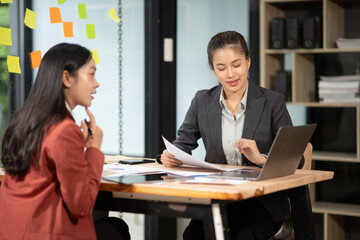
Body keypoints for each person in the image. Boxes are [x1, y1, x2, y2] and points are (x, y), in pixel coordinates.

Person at [158, 31, 304, 240]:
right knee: (192, 236)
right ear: (213, 70)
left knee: (239, 236)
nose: (230, 74)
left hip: (261, 202)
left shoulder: (272, 101)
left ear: (248, 61)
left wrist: (260, 159)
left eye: (236, 65)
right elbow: (183, 143)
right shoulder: (202, 101)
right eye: (221, 68)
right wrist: (169, 155)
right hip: (219, 198)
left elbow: (297, 159)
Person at [0, 43, 129, 240]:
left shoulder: (24, 121)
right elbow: (81, 206)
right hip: (48, 233)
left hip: (14, 232)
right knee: (116, 228)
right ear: (67, 78)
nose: (97, 84)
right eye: (91, 74)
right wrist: (93, 150)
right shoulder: (64, 130)